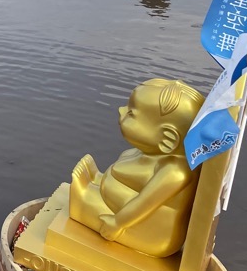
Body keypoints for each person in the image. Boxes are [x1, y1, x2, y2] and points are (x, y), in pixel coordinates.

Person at [69, 79, 205, 258]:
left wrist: (118, 223)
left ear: (167, 139)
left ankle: (83, 201)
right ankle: (97, 183)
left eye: (131, 113)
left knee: (83, 204)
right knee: (127, 158)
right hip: (133, 217)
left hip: (151, 235)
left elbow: (144, 203)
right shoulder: (157, 154)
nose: (121, 110)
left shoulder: (176, 173)